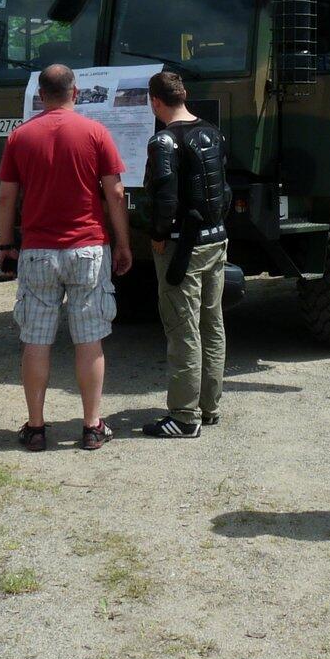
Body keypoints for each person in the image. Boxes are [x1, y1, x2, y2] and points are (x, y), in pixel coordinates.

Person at [0, 64, 132, 452]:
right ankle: (91, 427)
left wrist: (6, 245)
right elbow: (115, 193)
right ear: (75, 93)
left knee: (36, 341)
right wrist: (122, 243)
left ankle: (36, 428)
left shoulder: (20, 136)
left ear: (41, 95)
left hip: (38, 251)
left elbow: (6, 197)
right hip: (88, 248)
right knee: (89, 340)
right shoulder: (95, 132)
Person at [141, 71, 230, 439]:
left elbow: (164, 197)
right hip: (215, 240)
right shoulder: (212, 132)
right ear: (184, 94)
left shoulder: (163, 141)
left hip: (183, 248)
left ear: (155, 101)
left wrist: (158, 235)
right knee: (212, 324)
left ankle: (184, 416)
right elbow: (223, 188)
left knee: (183, 329)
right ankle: (209, 407)